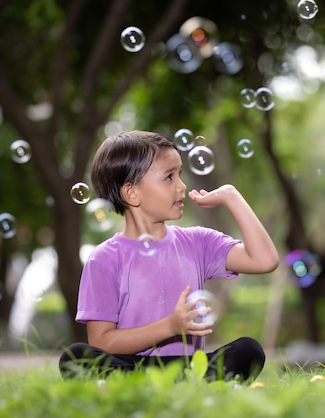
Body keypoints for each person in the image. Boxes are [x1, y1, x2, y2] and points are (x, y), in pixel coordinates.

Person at [59, 130, 279, 382]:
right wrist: (169, 327)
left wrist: (232, 197)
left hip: (190, 367)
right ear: (132, 193)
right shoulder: (104, 259)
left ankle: (179, 384)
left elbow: (265, 260)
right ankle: (173, 386)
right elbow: (102, 342)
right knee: (76, 356)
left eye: (180, 175)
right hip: (133, 367)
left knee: (249, 350)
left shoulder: (198, 242)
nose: (182, 186)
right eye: (169, 177)